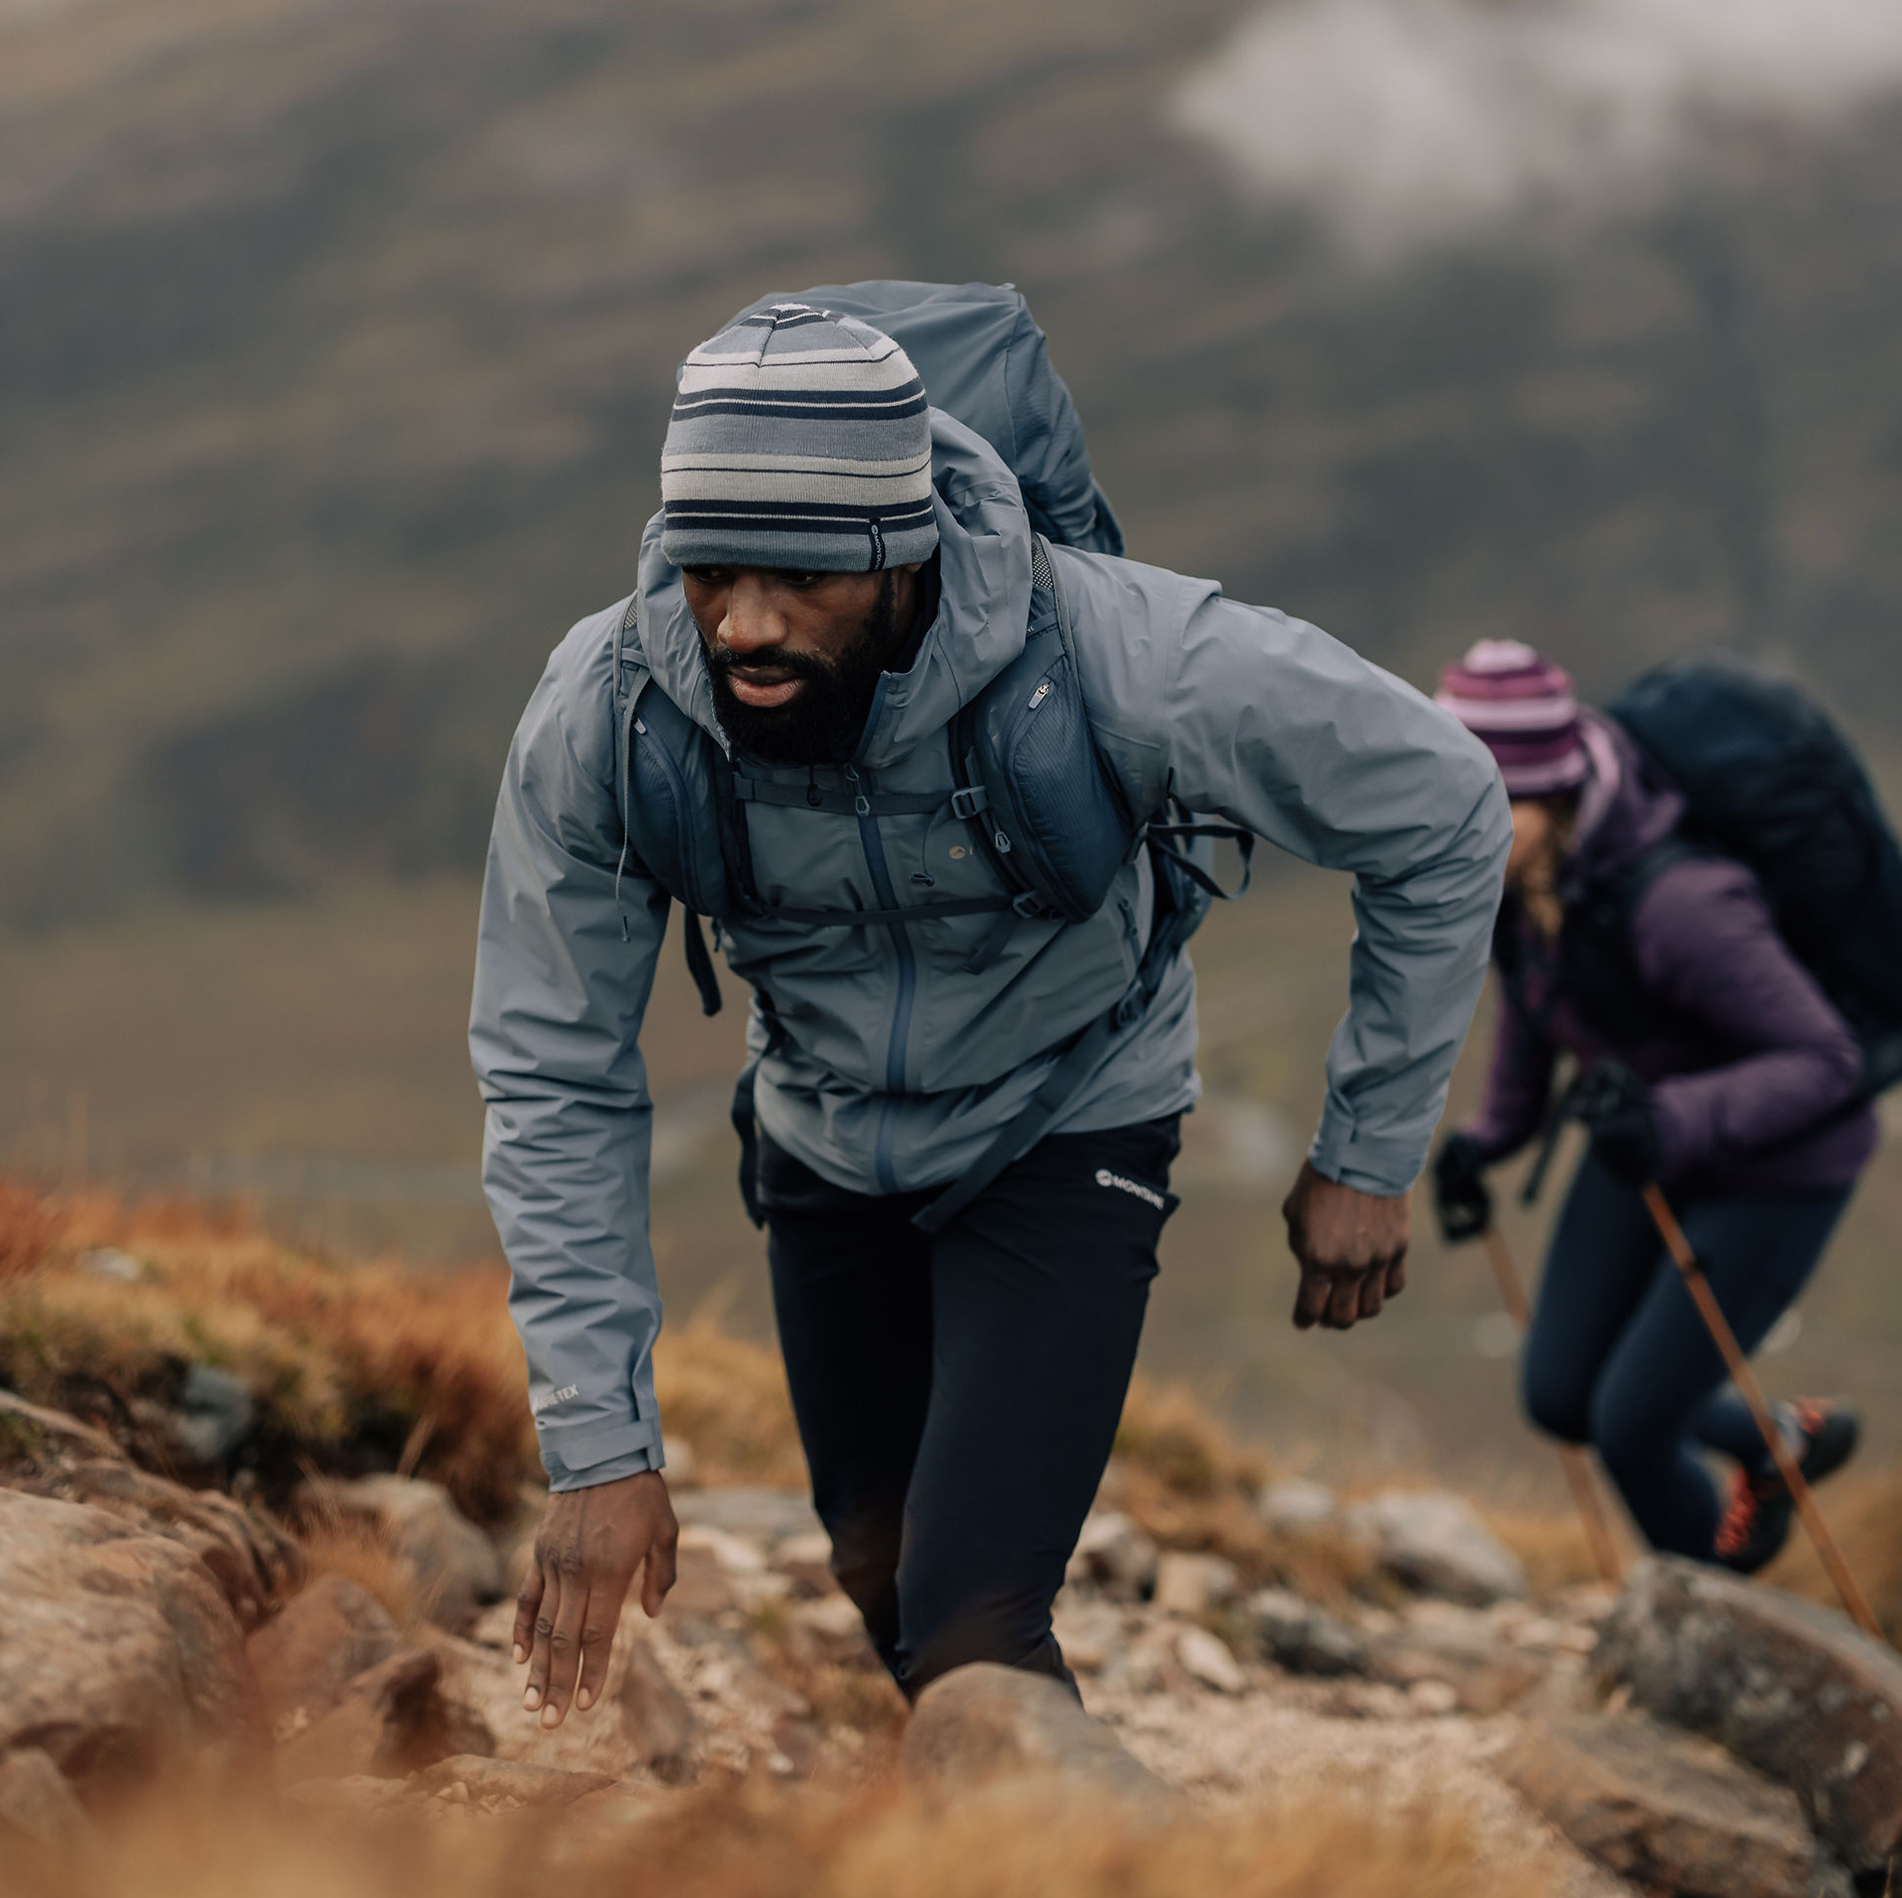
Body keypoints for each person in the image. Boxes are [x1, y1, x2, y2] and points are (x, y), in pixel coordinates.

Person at [470, 296, 1509, 1727]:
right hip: (822, 1138)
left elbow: (1444, 803)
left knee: (971, 1621)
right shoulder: (613, 707)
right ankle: (1033, 1861)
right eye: (711, 569)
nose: (746, 624)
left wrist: (1368, 1151)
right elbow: (553, 1069)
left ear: (906, 551)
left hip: (1069, 1114)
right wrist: (598, 1447)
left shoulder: (1123, 655)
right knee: (883, 1573)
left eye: (805, 576)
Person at [1432, 639, 1871, 1573]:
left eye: (1489, 805)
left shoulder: (1682, 904)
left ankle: (1718, 1625)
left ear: (1552, 793)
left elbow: (1826, 1059)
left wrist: (1668, 1121)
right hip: (1645, 1143)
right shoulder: (1524, 876)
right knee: (1559, 1398)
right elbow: (1538, 1005)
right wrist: (1488, 1140)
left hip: (1779, 1169)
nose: (1462, 826)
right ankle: (1775, 1439)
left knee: (1632, 1425)